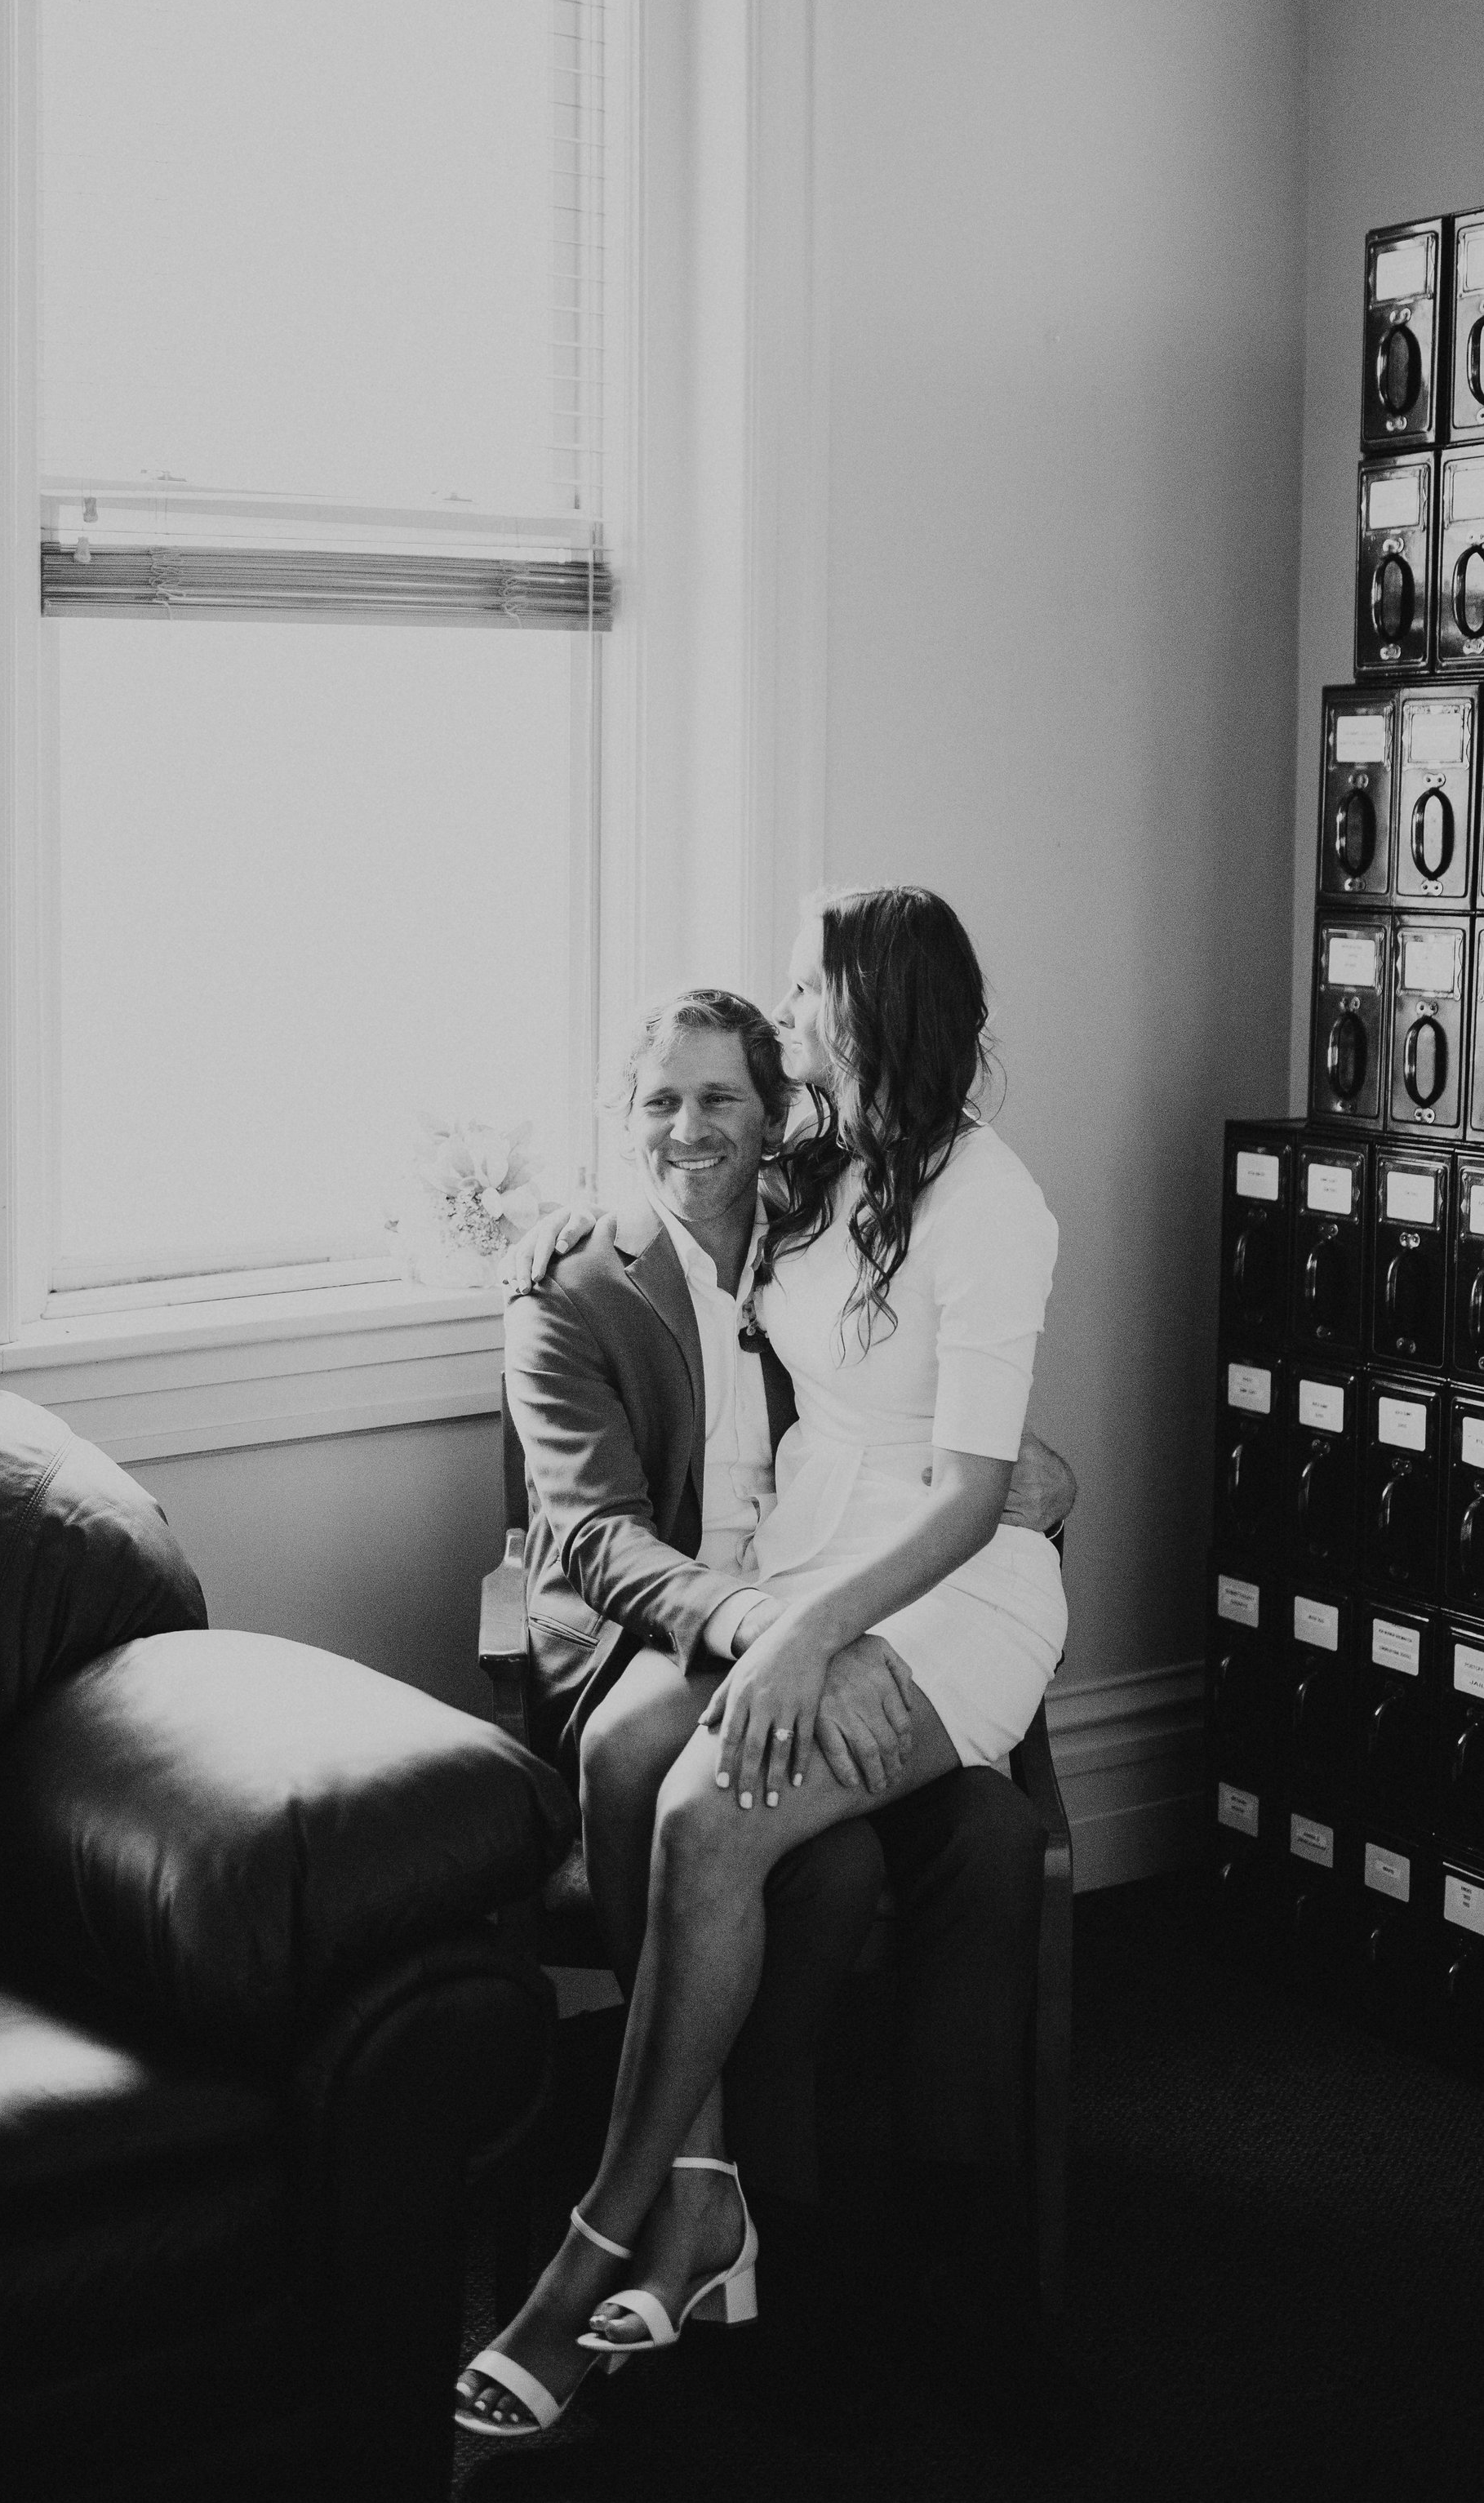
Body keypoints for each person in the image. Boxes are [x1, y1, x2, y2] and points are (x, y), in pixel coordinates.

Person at [455, 886, 1069, 2443]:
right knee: (701, 1813)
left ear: (858, 1024)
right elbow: (597, 1522)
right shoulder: (820, 1180)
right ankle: (708, 2201)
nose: (702, 1121)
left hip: (916, 1599)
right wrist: (576, 1229)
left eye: (796, 1010)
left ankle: (649, 2234)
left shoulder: (979, 1197)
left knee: (745, 1822)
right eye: (661, 1104)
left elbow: (977, 1468)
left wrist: (826, 1609)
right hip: (785, 1593)